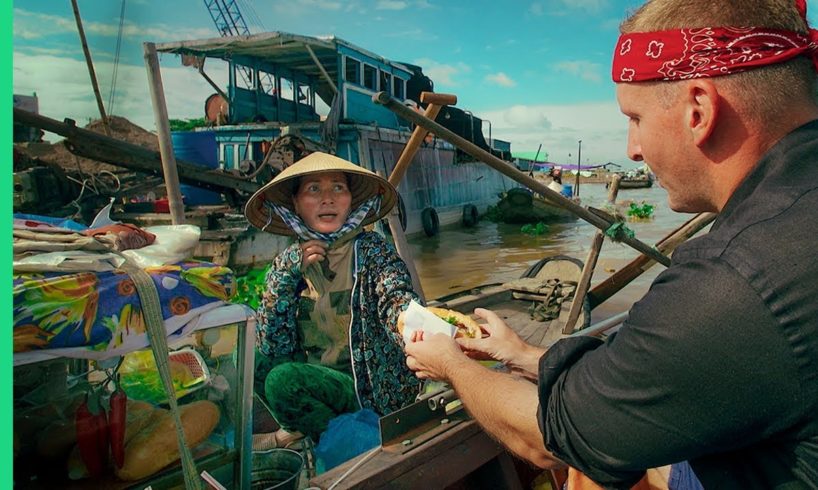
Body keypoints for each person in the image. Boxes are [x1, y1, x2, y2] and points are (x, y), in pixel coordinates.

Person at [404, 0, 818, 487]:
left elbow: (547, 439)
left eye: (635, 118)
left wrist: (450, 363)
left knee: (588, 468)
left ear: (698, 111)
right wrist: (521, 354)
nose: (631, 150)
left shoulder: (735, 278)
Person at [244, 151, 422, 444]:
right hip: (314, 378)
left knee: (282, 382)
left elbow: (395, 296)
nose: (328, 198)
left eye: (338, 188)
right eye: (314, 189)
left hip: (363, 390)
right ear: (296, 204)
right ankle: (306, 426)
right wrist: (288, 274)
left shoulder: (373, 252)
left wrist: (410, 323)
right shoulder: (288, 261)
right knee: (250, 359)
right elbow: (273, 344)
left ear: (351, 199)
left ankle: (321, 437)